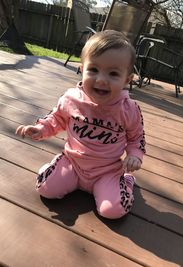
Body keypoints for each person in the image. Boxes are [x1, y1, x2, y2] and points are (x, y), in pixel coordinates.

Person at [15, 30, 146, 219]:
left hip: (107, 171)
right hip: (73, 163)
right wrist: (40, 129)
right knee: (45, 188)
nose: (101, 79)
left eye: (113, 73)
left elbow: (137, 137)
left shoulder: (129, 109)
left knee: (113, 211)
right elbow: (56, 119)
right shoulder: (71, 99)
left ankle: (125, 181)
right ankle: (56, 169)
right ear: (81, 68)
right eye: (93, 70)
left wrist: (135, 156)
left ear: (127, 80)